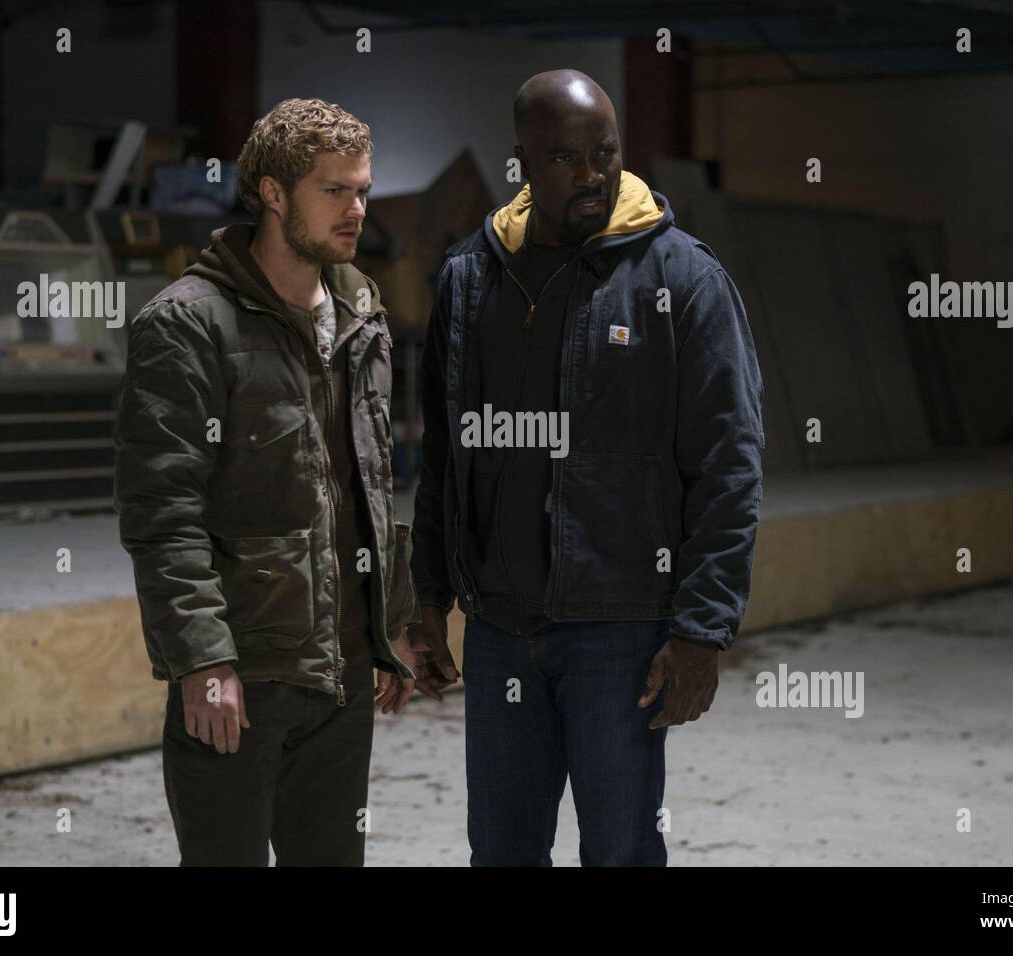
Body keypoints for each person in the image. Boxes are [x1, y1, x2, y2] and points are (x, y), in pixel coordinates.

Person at [410, 70, 766, 866]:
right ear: (523, 164)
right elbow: (444, 459)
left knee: (620, 852)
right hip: (501, 628)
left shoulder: (683, 281)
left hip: (622, 633)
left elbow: (730, 464)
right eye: (565, 157)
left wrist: (703, 630)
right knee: (500, 853)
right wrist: (428, 597)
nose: (592, 172)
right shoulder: (471, 280)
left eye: (605, 151)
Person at [114, 97, 443, 866]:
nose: (357, 210)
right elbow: (163, 512)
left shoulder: (361, 311)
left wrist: (388, 624)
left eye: (362, 189)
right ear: (270, 192)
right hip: (244, 670)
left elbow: (366, 482)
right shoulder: (188, 325)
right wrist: (201, 660)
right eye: (334, 191)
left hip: (342, 670)